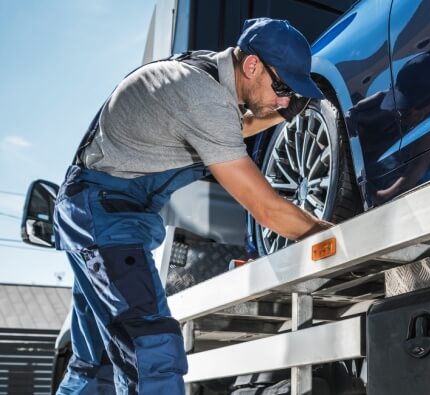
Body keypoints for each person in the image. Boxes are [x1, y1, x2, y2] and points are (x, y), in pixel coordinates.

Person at [53, 18, 331, 394]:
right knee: (151, 349)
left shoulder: (202, 71)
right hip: (104, 217)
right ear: (251, 66)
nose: (284, 99)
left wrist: (279, 112)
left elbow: (229, 130)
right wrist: (330, 233)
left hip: (90, 209)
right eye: (281, 87)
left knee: (92, 362)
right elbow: (267, 210)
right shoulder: (202, 96)